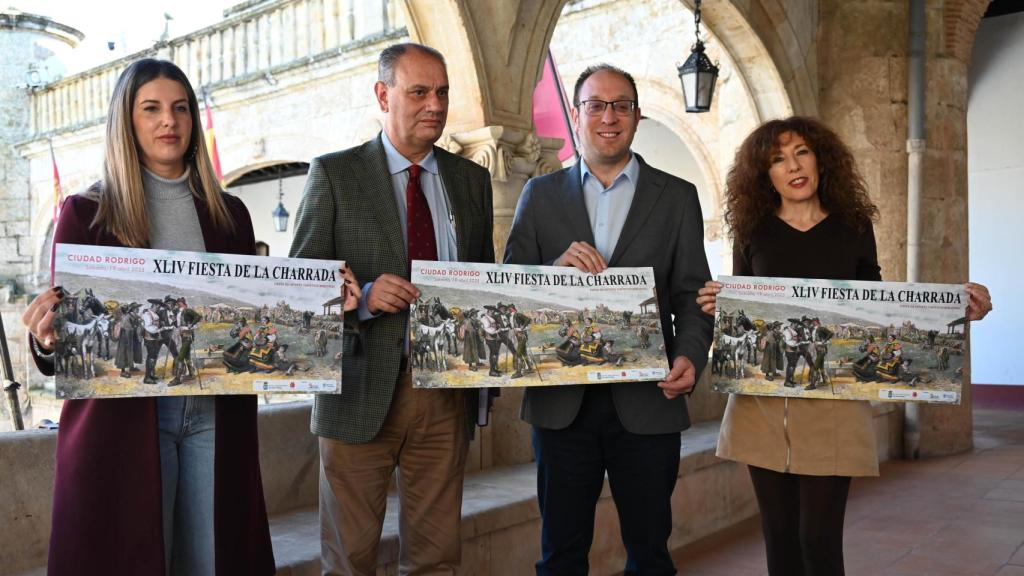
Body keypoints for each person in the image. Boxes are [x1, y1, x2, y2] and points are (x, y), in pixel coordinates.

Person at [696, 116, 993, 576]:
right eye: (777, 159)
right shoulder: (753, 232)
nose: (793, 166)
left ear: (821, 159)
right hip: (762, 404)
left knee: (818, 538)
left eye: (802, 152)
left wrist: (956, 309)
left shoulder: (853, 226)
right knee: (779, 536)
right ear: (764, 175)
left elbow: (877, 308)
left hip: (834, 402)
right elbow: (746, 312)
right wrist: (719, 304)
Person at [21, 58, 272, 576]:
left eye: (180, 109)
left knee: (212, 562)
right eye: (151, 109)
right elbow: (66, 340)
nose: (169, 122)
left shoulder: (231, 215)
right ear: (126, 122)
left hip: (213, 418)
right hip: (125, 424)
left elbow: (247, 317)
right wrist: (47, 342)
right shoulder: (86, 214)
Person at [288, 42, 495, 576]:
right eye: (419, 92)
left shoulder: (471, 181)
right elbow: (299, 286)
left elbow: (484, 278)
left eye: (442, 92)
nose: (435, 105)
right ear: (383, 95)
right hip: (358, 391)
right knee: (350, 559)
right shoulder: (335, 174)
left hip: (445, 394)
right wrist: (362, 300)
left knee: (436, 556)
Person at [504, 63, 714, 576]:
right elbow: (508, 287)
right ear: (576, 116)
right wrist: (552, 271)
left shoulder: (678, 196)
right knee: (560, 555)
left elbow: (691, 295)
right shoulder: (540, 194)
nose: (608, 116)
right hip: (561, 405)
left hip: (648, 402)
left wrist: (690, 354)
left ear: (637, 117)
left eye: (621, 105)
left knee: (650, 554)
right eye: (595, 104)